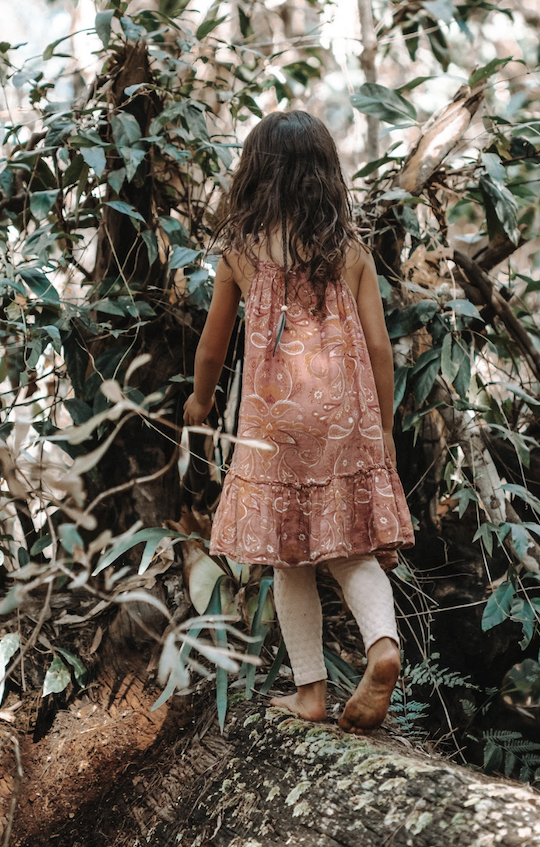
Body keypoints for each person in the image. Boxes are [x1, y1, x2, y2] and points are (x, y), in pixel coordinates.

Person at [182, 110, 414, 732]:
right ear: (324, 176)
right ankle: (382, 648)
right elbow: (380, 350)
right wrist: (383, 430)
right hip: (346, 423)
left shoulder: (241, 255)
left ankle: (310, 691)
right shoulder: (351, 253)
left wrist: (201, 401)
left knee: (288, 561)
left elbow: (212, 347)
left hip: (275, 429)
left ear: (255, 177)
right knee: (354, 552)